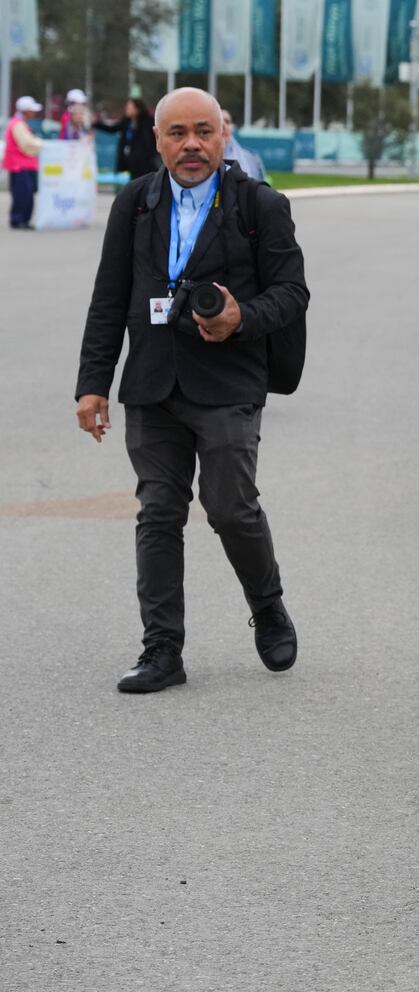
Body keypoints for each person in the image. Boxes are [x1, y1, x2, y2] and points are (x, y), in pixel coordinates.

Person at [74, 87, 310, 693]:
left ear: (222, 136)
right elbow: (109, 297)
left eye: (203, 131)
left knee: (231, 505)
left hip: (228, 379)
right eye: (177, 133)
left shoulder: (260, 205)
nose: (192, 145)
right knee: (157, 512)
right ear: (158, 141)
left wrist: (242, 319)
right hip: (152, 383)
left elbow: (291, 293)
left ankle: (268, 605)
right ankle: (162, 650)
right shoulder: (137, 203)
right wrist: (92, 385)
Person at [94, 98, 159, 178]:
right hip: (132, 163)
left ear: (137, 109)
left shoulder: (148, 122)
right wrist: (96, 124)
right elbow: (113, 129)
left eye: (129, 107)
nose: (126, 109)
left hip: (146, 163)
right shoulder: (127, 122)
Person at [5, 95, 43, 229]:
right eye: (31, 110)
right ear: (25, 110)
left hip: (23, 165)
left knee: (27, 194)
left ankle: (23, 220)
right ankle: (18, 220)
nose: (34, 113)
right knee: (22, 194)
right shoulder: (18, 124)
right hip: (19, 166)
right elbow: (26, 145)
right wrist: (39, 143)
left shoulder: (21, 123)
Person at [220, 109, 266, 182]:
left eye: (227, 122)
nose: (223, 126)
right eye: (219, 121)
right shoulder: (202, 158)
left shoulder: (251, 158)